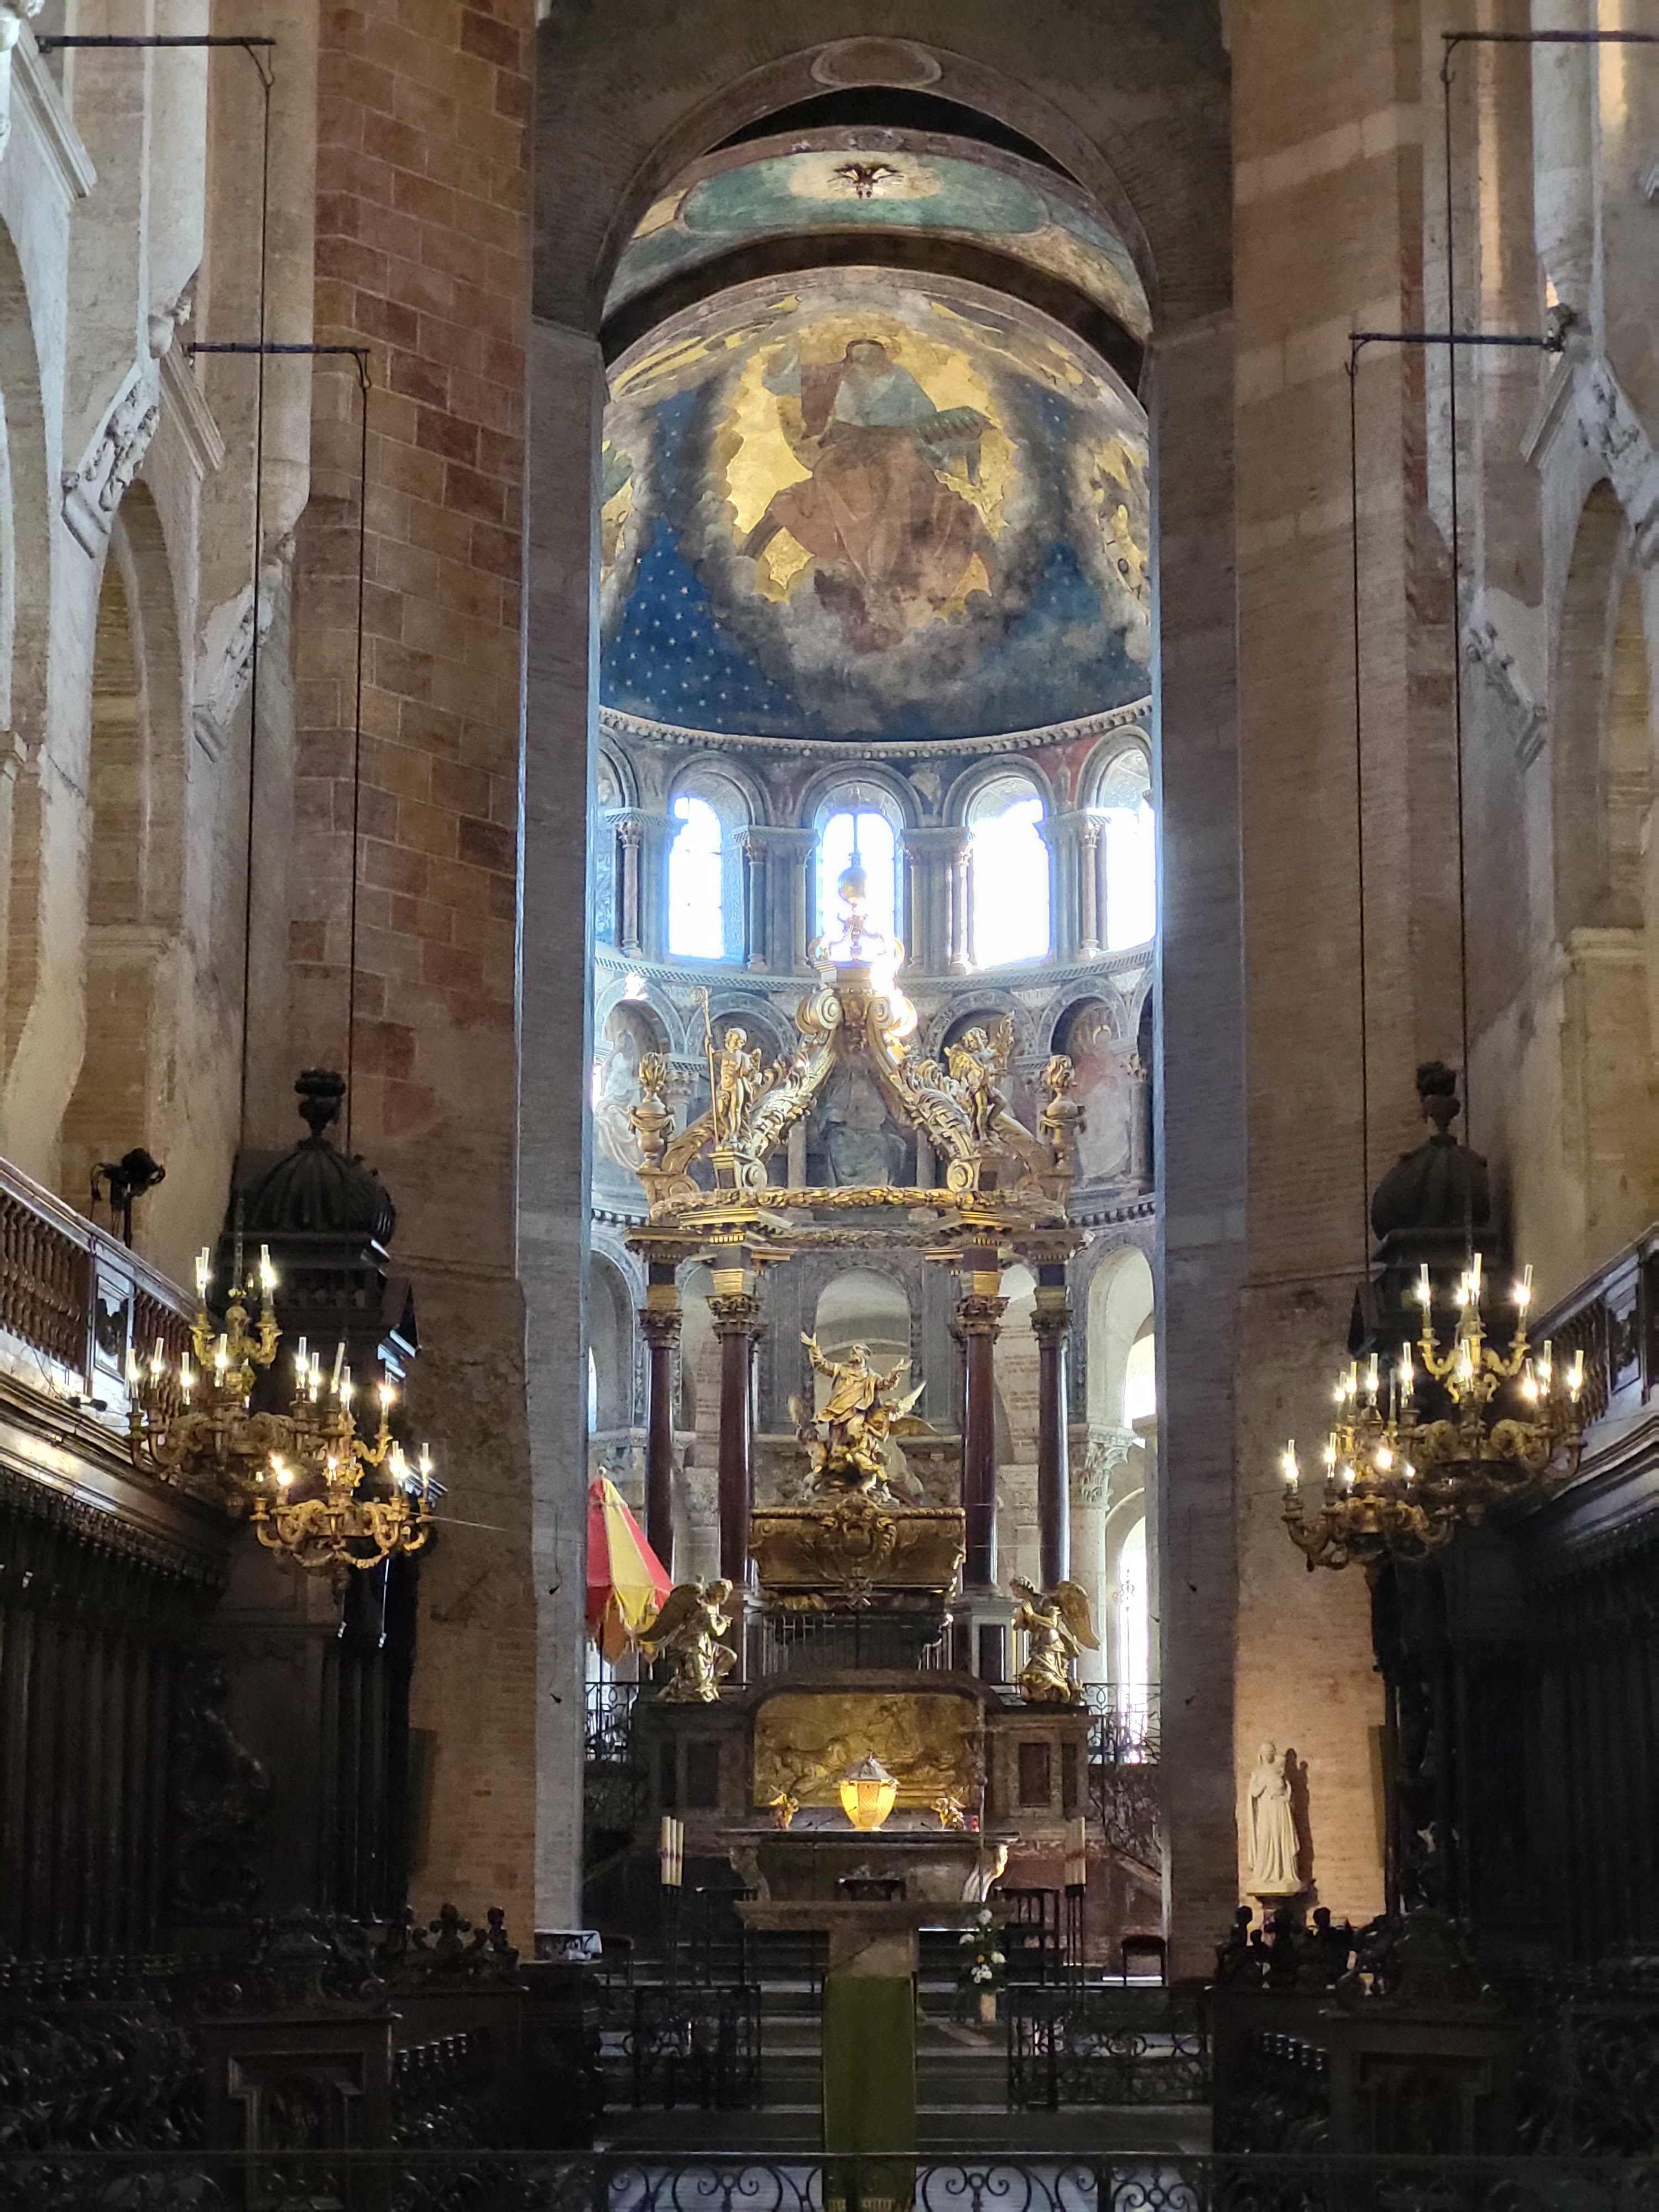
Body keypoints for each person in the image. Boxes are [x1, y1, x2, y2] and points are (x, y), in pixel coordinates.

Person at [744, 339, 990, 654]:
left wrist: (912, 439)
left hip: (898, 457)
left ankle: (884, 574)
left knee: (905, 482)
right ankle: (747, 567)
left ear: (885, 358)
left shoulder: (902, 382)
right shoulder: (834, 379)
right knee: (838, 485)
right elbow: (779, 381)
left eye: (870, 356)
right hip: (849, 460)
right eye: (856, 357)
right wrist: (789, 343)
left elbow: (924, 428)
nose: (862, 363)